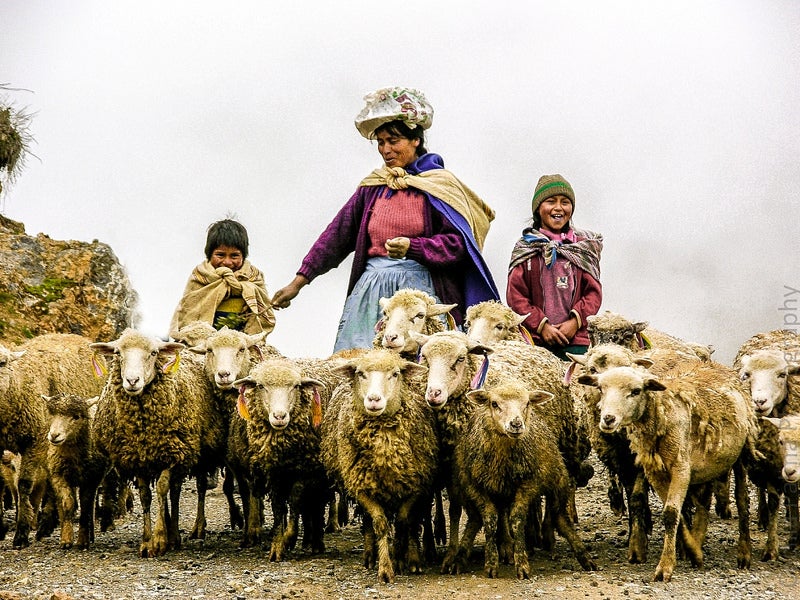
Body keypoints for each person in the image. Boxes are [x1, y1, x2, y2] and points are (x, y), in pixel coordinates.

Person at [271, 87, 499, 353]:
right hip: (372, 296)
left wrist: (413, 248)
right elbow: (336, 236)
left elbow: (456, 245)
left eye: (393, 140)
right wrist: (298, 282)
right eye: (380, 142)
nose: (385, 149)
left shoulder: (438, 186)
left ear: (415, 140)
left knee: (423, 368)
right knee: (362, 369)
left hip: (421, 297)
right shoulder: (373, 188)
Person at [506, 174, 602, 360]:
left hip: (576, 342)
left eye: (565, 202)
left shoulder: (583, 249)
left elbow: (593, 294)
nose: (558, 208)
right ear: (538, 208)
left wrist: (575, 322)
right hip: (534, 342)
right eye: (550, 201)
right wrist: (541, 325)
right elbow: (516, 296)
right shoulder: (526, 248)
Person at [169, 218, 276, 339]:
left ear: (243, 256)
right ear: (209, 254)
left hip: (243, 342)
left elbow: (263, 314)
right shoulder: (200, 276)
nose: (227, 262)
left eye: (234, 256)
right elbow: (188, 311)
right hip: (204, 343)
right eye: (220, 255)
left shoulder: (253, 277)